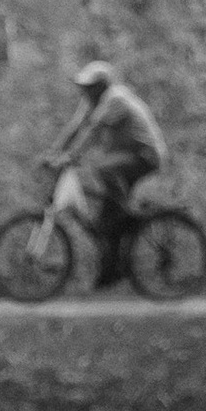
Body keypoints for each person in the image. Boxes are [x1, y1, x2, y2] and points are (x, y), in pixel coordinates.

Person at [45, 59, 168, 287]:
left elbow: (93, 129)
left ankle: (127, 212)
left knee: (103, 169)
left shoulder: (115, 98)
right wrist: (53, 152)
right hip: (125, 157)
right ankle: (111, 271)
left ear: (101, 86)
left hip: (144, 155)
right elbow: (76, 126)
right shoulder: (93, 102)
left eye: (90, 87)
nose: (86, 92)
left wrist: (70, 156)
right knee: (106, 222)